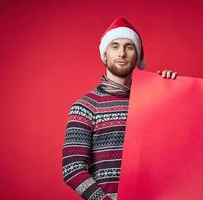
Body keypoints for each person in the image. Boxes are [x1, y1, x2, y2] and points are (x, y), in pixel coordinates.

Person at [62, 16, 178, 200]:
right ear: (105, 54)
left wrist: (174, 89)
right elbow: (72, 169)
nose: (122, 53)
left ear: (137, 56)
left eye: (129, 47)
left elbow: (177, 148)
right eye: (115, 46)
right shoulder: (84, 107)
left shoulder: (154, 101)